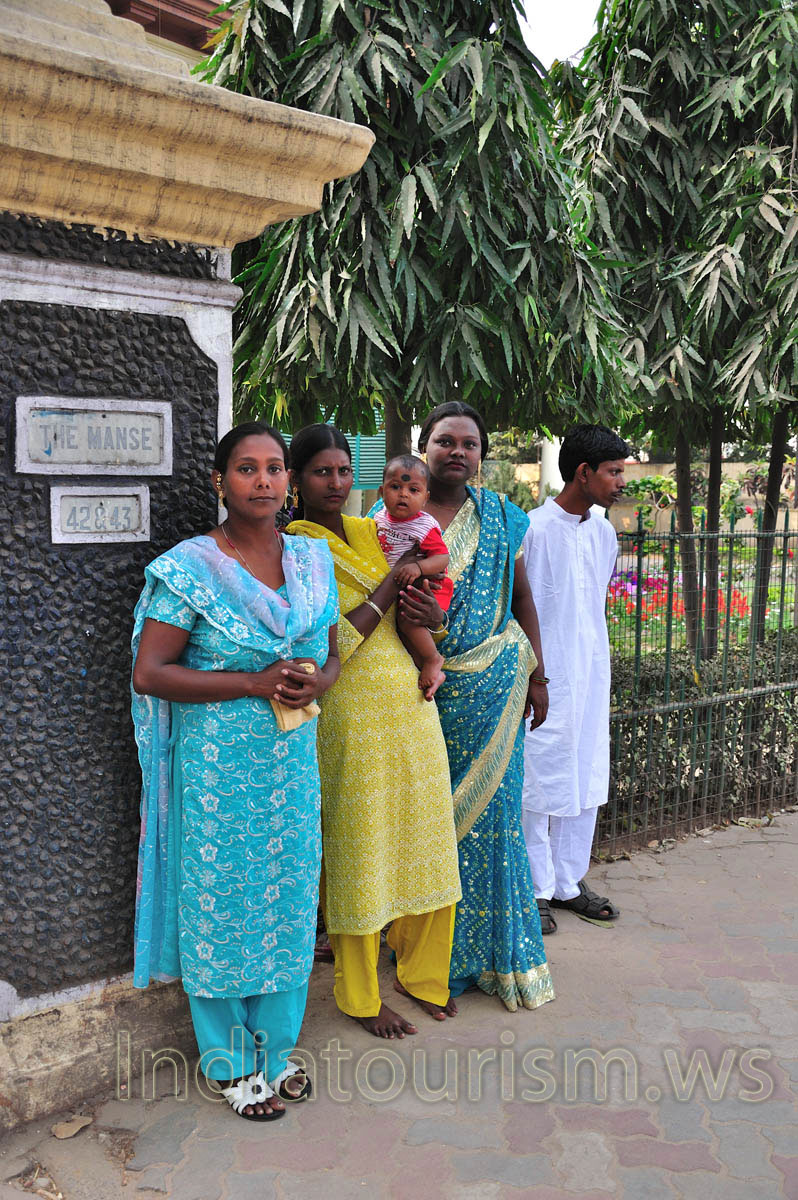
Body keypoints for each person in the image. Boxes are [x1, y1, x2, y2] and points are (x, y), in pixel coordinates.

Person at [131, 422, 340, 1121]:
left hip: (290, 767)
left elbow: (331, 654)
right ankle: (230, 1065)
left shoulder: (313, 560)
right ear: (220, 481)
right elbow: (151, 672)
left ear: (288, 481)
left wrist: (320, 682)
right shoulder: (192, 567)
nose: (264, 481)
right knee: (220, 904)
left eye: (275, 468)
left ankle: (277, 1054)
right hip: (217, 770)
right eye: (246, 469)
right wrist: (254, 684)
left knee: (286, 900)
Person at [286, 424, 462, 1039]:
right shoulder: (296, 548)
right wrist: (394, 584)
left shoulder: (373, 529)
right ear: (295, 480)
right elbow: (336, 637)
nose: (335, 483)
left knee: (427, 832)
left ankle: (423, 975)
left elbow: (432, 590)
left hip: (411, 700)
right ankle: (360, 995)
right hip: (350, 713)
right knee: (361, 845)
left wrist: (432, 614)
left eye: (342, 471)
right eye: (319, 472)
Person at [418, 401, 555, 1013]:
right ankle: (427, 960)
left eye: (469, 444)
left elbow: (521, 596)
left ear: (482, 455)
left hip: (496, 692)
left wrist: (539, 678)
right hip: (420, 694)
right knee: (426, 824)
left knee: (494, 824)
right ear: (424, 448)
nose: (457, 452)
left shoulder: (504, 518)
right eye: (445, 441)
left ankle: (494, 958)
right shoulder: (389, 517)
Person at [520, 424, 628, 934]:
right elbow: (522, 607)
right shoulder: (533, 529)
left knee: (583, 773)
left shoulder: (605, 531)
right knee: (537, 777)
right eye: (613, 471)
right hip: (545, 674)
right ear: (583, 472)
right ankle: (535, 887)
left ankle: (568, 883)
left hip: (590, 672)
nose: (620, 480)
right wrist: (535, 673)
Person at [374, 453, 453, 699]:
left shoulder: (424, 526)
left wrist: (418, 568)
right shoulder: (377, 520)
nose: (403, 494)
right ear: (381, 491)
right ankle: (425, 667)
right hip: (399, 586)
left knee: (408, 621)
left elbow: (443, 558)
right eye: (395, 487)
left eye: (413, 489)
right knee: (401, 631)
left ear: (425, 497)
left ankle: (433, 659)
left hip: (426, 588)